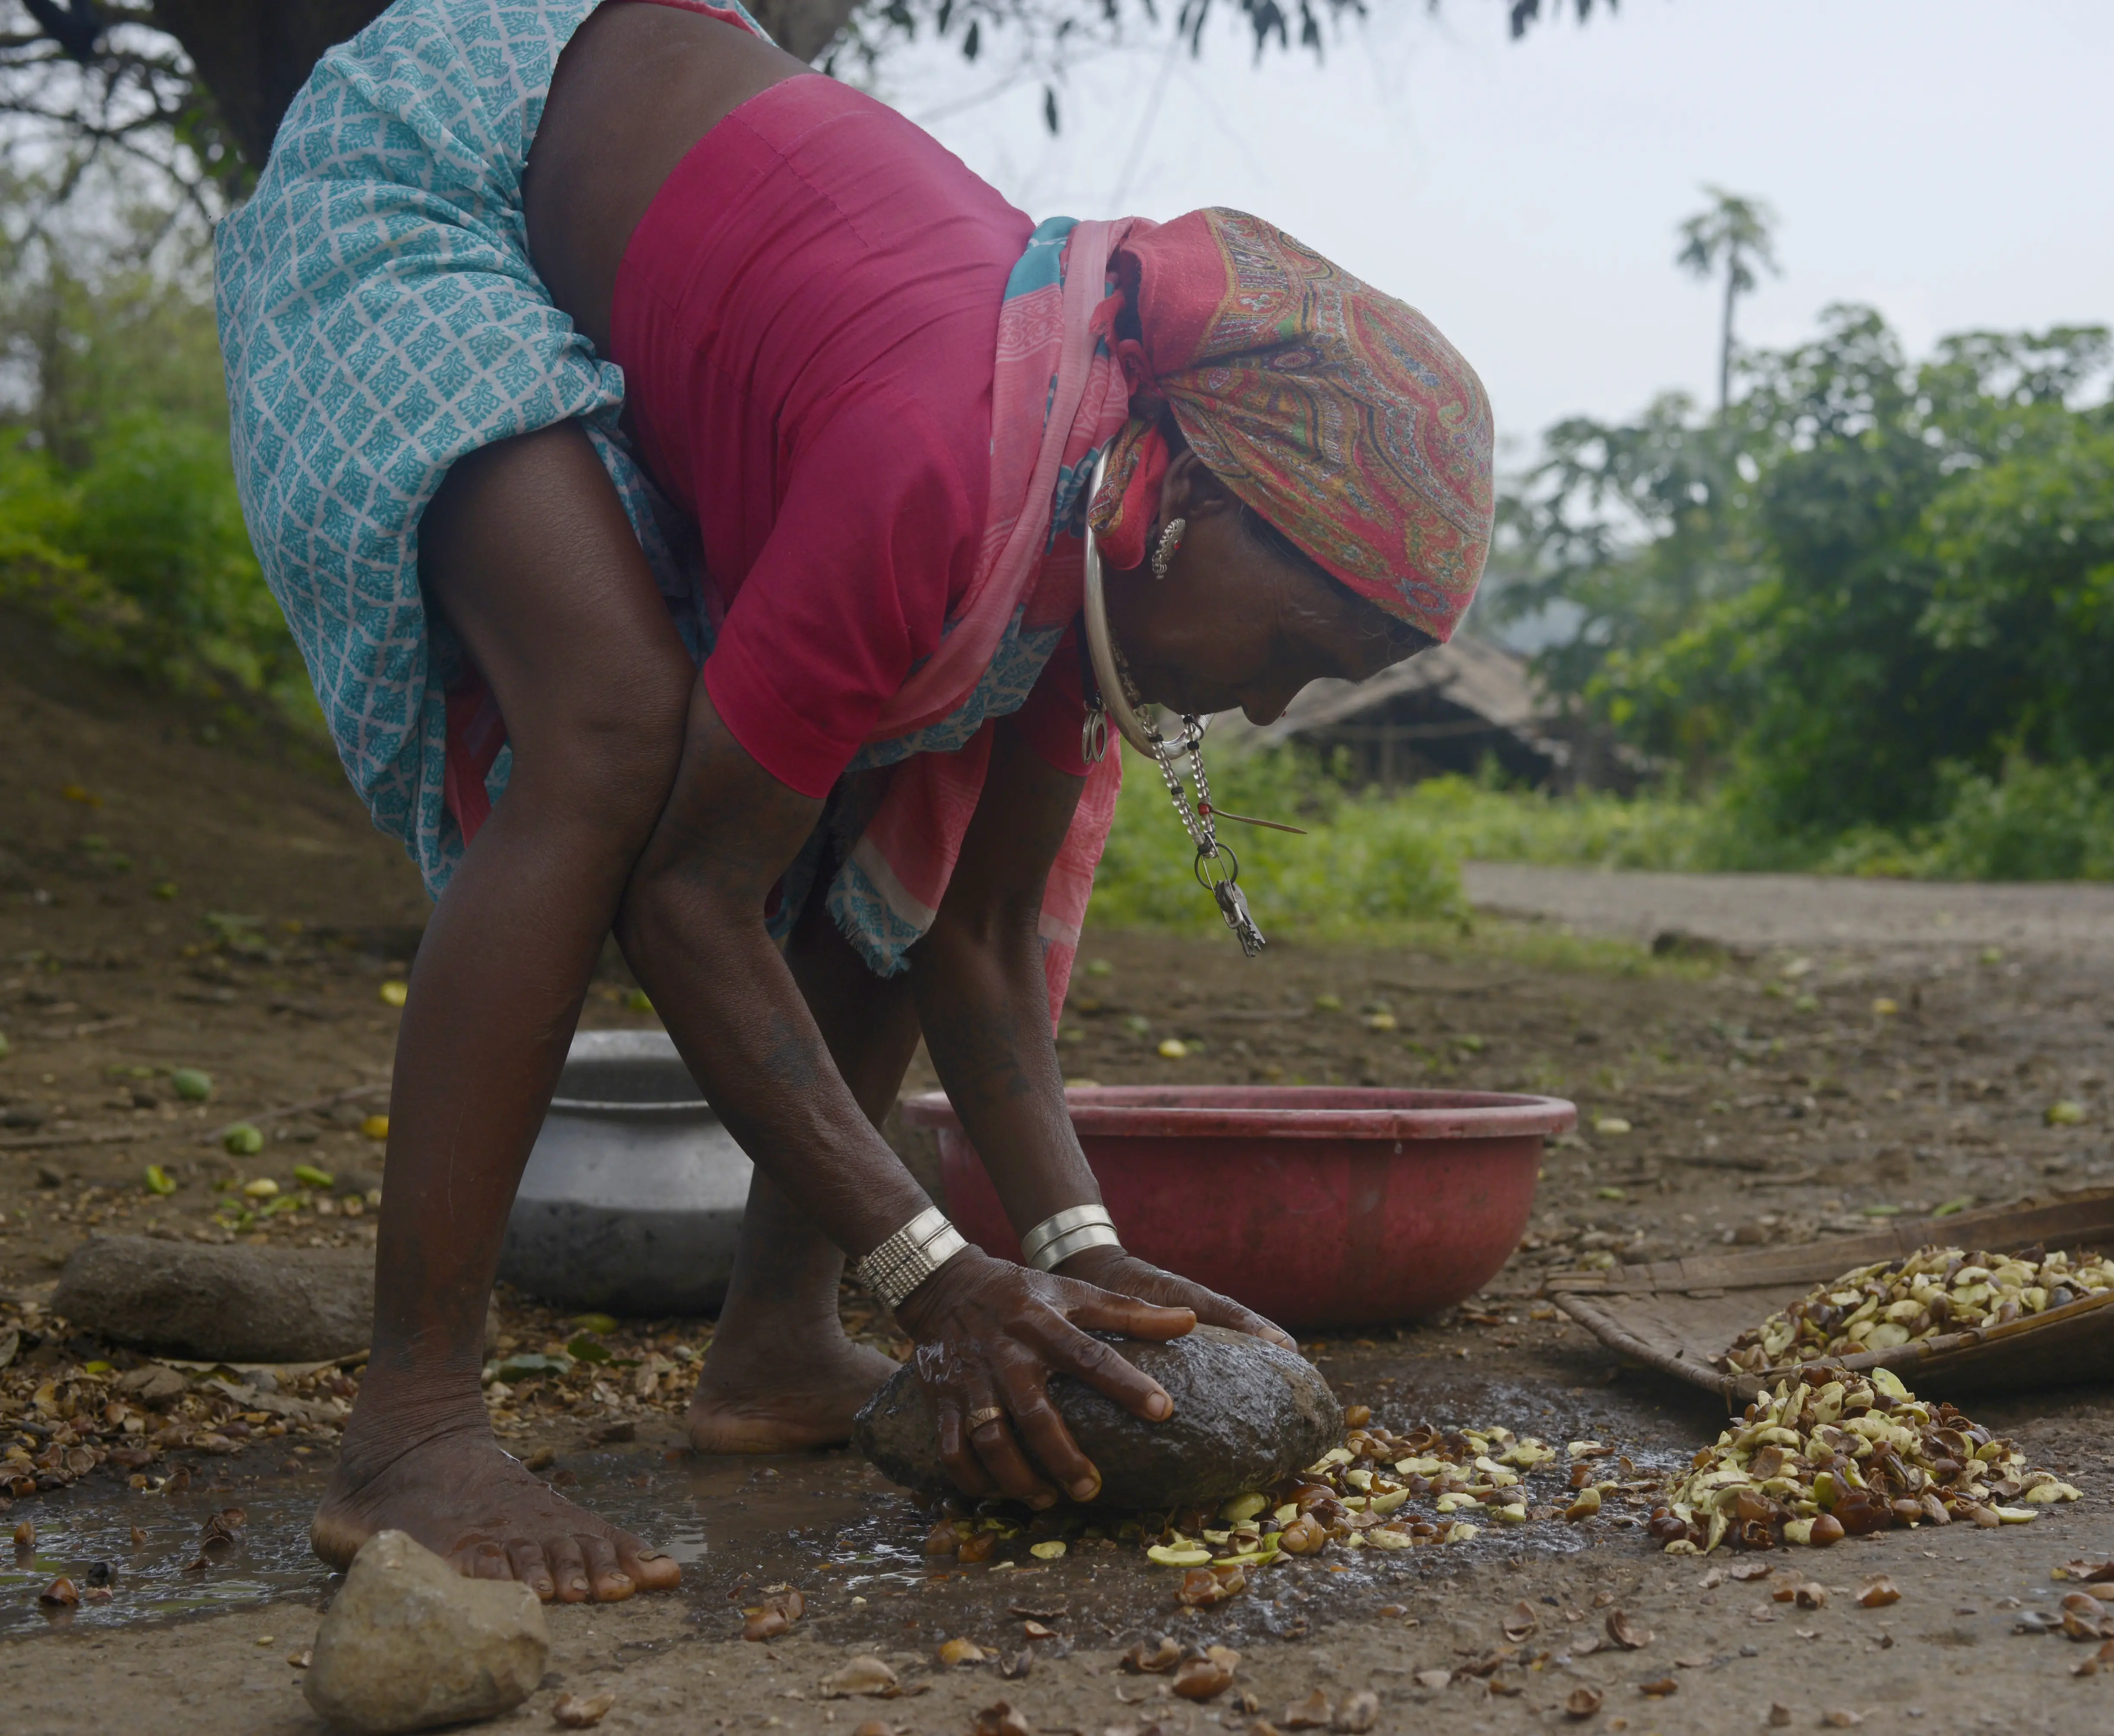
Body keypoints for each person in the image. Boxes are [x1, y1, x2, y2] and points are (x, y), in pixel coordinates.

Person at [216, 0, 1494, 1607]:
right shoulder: (949, 453)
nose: (1261, 708)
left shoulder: (1075, 534)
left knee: (904, 824)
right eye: (1297, 648)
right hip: (443, 165)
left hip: (650, 241)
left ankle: (771, 1350)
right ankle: (411, 1422)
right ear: (1184, 497)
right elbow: (689, 901)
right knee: (608, 733)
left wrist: (1083, 1259)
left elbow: (972, 946)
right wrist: (940, 1276)